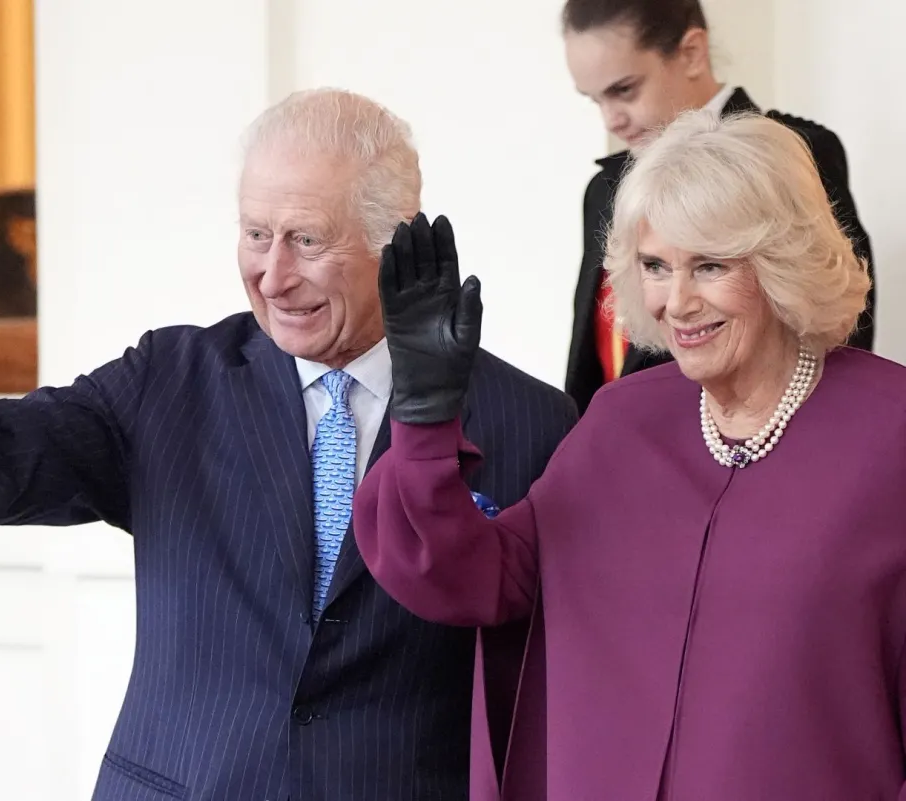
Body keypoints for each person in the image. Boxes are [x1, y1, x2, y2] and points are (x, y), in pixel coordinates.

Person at [0, 88, 577, 801]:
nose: (272, 276)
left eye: (306, 240)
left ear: (396, 241)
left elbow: (558, 684)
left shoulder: (530, 424)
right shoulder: (171, 379)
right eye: (255, 234)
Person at [352, 108, 906, 800]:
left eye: (710, 265)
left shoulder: (891, 434)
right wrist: (425, 419)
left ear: (781, 262)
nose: (678, 301)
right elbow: (475, 577)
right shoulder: (620, 422)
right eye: (655, 266)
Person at [560, 0, 876, 415]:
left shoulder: (791, 155)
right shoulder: (604, 189)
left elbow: (835, 328)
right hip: (618, 436)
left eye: (624, 90)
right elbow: (594, 356)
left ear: (692, 52)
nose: (611, 120)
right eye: (594, 99)